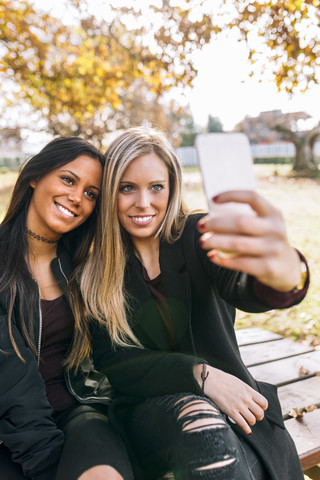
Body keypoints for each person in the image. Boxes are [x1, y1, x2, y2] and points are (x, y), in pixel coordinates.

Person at [79, 126, 310, 480]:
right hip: (151, 418)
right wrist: (200, 375)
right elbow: (116, 361)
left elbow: (243, 286)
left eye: (156, 186)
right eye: (128, 188)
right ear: (110, 192)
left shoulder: (199, 235)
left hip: (237, 413)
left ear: (171, 188)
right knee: (201, 422)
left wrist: (284, 275)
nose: (144, 203)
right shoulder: (96, 268)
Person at [0, 137, 134, 480]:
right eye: (68, 180)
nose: (77, 198)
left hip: (79, 414)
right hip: (12, 433)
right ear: (35, 176)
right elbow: (11, 377)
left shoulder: (81, 268)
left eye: (91, 194)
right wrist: (48, 464)